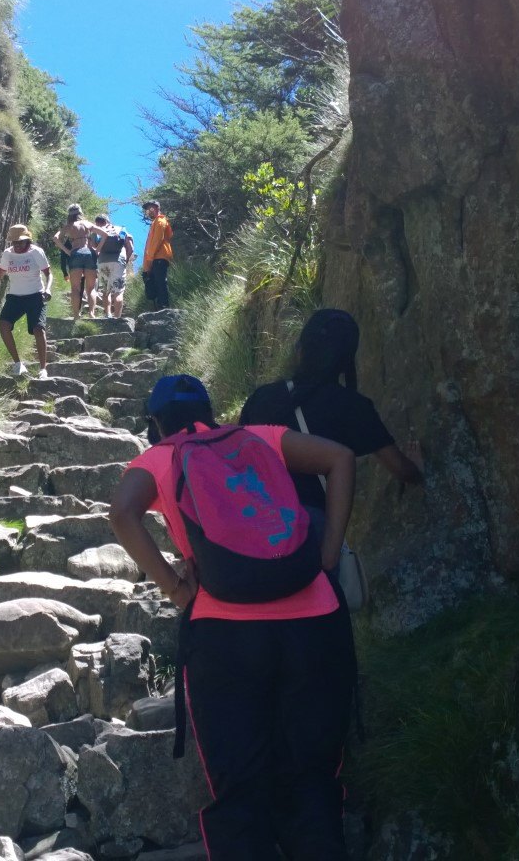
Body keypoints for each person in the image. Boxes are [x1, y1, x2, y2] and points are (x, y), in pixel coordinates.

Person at [109, 374, 359, 859]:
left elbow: (122, 512)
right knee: (312, 774)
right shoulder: (259, 436)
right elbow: (341, 458)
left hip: (225, 635)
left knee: (239, 782)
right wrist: (327, 557)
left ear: (156, 423)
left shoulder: (161, 456)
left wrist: (177, 589)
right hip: (315, 621)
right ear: (209, 409)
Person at [239, 310, 424, 510]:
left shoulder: (260, 399)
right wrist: (416, 468)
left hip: (257, 524)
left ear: (300, 349)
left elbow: (239, 456)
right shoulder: (353, 406)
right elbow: (402, 470)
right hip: (311, 532)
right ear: (346, 364)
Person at [0, 223, 52, 379]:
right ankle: (18, 364)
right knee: (3, 324)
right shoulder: (8, 254)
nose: (17, 245)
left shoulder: (36, 253)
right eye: (14, 242)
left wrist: (48, 289)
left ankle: (43, 369)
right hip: (15, 296)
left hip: (36, 295)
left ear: (28, 240)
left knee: (38, 329)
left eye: (20, 242)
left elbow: (49, 274)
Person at [56, 203, 98, 320]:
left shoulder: (68, 226)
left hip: (75, 254)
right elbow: (104, 235)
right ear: (80, 213)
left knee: (75, 288)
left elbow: (55, 238)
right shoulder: (87, 224)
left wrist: (67, 251)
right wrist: (96, 251)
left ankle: (76, 316)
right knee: (91, 288)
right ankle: (91, 313)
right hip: (89, 254)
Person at [91, 214, 135, 319]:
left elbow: (93, 248)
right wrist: (126, 260)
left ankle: (108, 315)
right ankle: (117, 318)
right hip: (118, 262)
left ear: (97, 222)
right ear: (108, 221)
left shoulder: (96, 231)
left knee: (106, 291)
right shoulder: (120, 229)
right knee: (118, 291)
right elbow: (131, 248)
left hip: (102, 262)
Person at [139, 199, 173, 309]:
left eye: (151, 208)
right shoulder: (155, 223)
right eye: (148, 209)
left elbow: (157, 240)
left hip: (159, 257)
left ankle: (164, 306)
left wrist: (149, 259)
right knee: (155, 283)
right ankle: (160, 307)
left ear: (158, 208)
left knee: (160, 282)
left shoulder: (160, 221)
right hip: (155, 258)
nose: (149, 211)